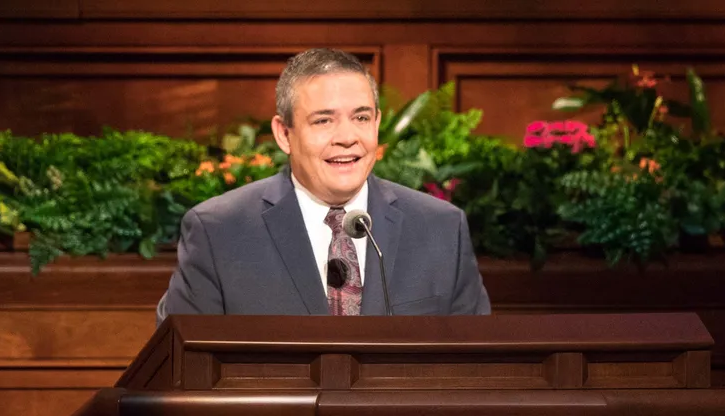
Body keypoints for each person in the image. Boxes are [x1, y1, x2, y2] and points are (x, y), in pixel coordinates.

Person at [155, 48, 490, 325]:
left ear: (376, 123)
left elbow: (476, 366)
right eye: (323, 120)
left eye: (361, 118)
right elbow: (182, 368)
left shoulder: (442, 228)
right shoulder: (218, 232)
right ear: (284, 134)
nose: (347, 137)